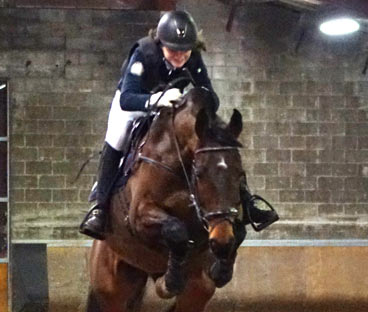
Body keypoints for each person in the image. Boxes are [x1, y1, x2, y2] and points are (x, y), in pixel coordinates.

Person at [80, 9, 278, 240]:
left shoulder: (192, 56)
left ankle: (248, 202)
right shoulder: (143, 53)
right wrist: (156, 100)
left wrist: (195, 100)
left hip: (171, 105)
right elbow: (127, 99)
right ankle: (100, 208)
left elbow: (211, 96)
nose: (180, 56)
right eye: (173, 50)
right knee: (117, 138)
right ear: (161, 43)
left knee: (219, 145)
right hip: (135, 104)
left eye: (185, 51)